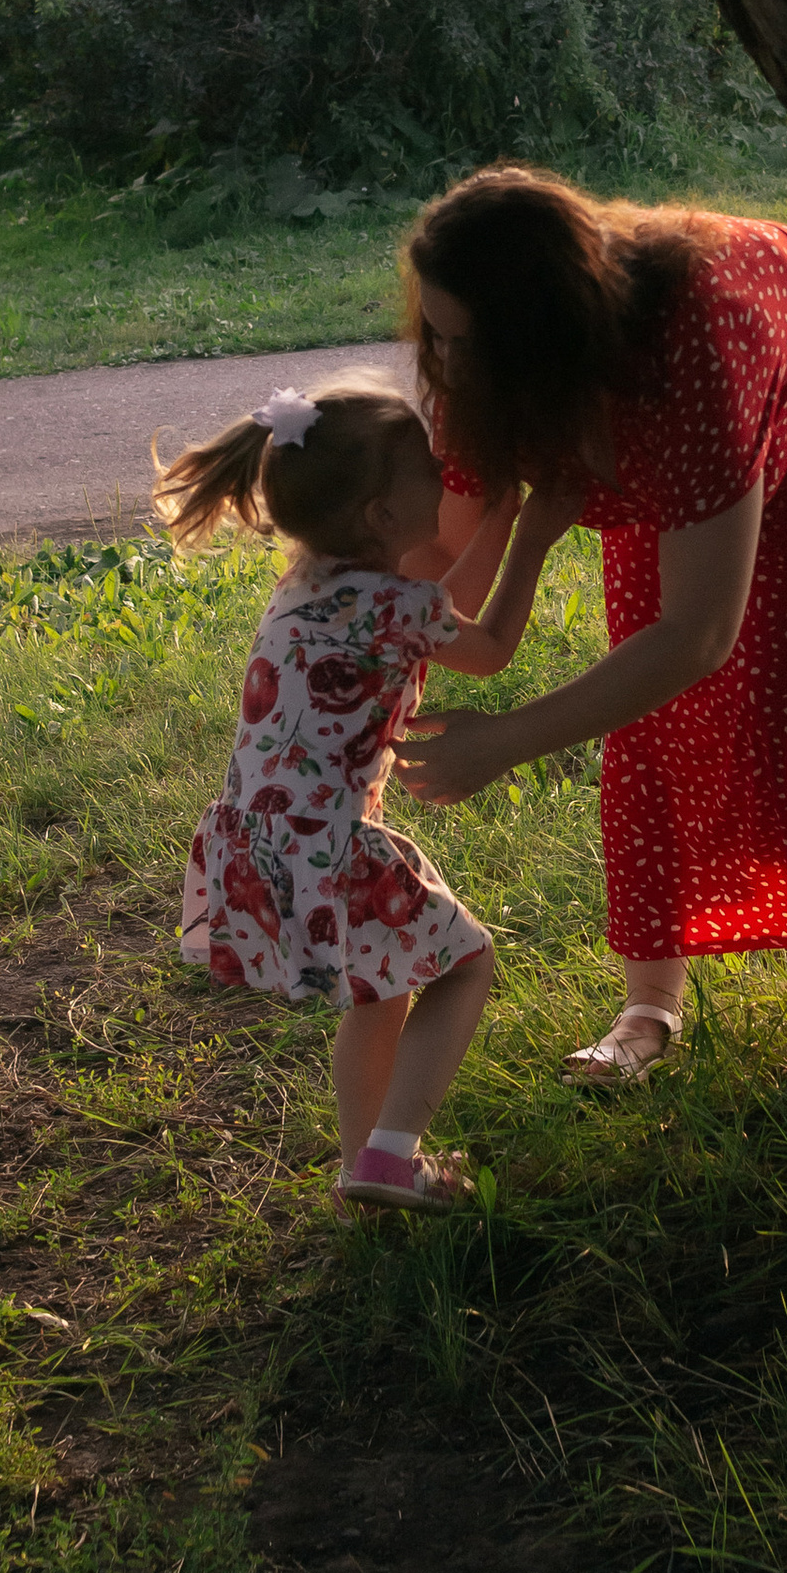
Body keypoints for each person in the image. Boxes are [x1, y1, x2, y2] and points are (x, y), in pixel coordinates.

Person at [389, 167, 787, 1079]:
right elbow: (442, 559)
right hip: (674, 405)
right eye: (437, 337)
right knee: (645, 701)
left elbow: (697, 636)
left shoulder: (694, 357)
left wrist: (505, 742)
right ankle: (648, 1005)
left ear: (548, 335)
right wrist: (341, 622)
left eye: (468, 345)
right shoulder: (497, 361)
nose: (449, 369)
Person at [157, 381, 566, 1213]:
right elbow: (486, 647)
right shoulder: (392, 603)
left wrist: (495, 514)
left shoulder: (314, 580)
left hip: (265, 838)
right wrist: (531, 533)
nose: (446, 477)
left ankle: (362, 1176)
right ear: (383, 514)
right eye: (431, 469)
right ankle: (392, 1153)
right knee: (467, 965)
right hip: (332, 844)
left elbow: (438, 607)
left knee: (383, 992)